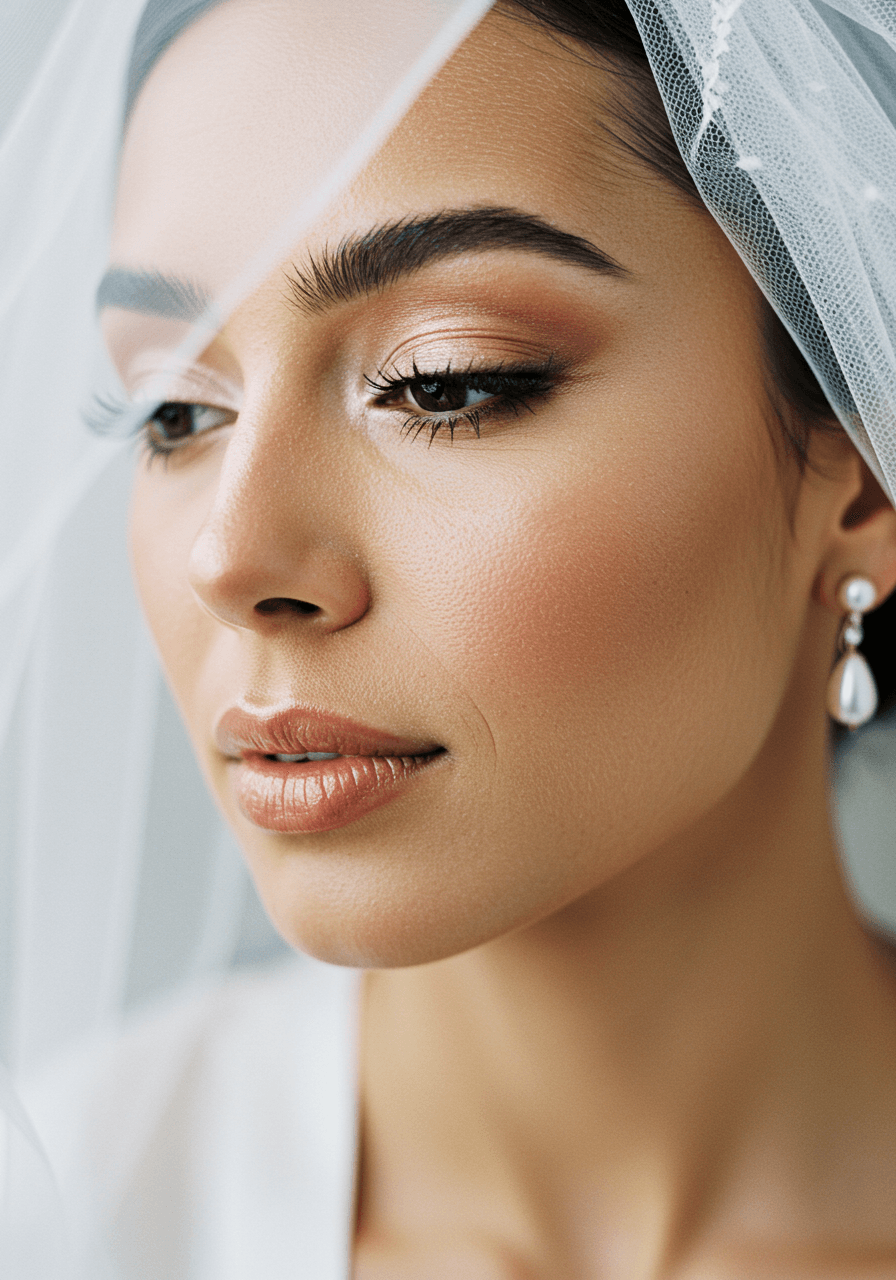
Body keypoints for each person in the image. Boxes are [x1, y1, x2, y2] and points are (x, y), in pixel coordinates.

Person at [2, 0, 896, 1276]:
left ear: (860, 471)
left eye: (443, 381)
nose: (232, 558)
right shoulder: (64, 1223)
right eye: (173, 410)